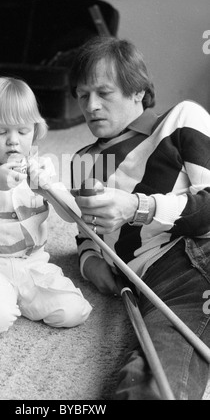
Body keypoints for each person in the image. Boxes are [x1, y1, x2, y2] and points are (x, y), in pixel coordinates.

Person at [69, 35, 210, 400]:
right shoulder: (83, 161)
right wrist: (88, 260)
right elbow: (87, 229)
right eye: (83, 95)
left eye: (104, 92)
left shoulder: (182, 119)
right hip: (147, 282)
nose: (91, 105)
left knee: (159, 381)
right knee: (143, 381)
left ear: (137, 92)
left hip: (193, 259)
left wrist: (136, 207)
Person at [0, 76, 92, 336]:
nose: (13, 141)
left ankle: (18, 298)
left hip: (33, 264)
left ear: (35, 129)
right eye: (1, 132)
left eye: (23, 131)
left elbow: (74, 217)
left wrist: (49, 188)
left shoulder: (41, 166)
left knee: (75, 311)